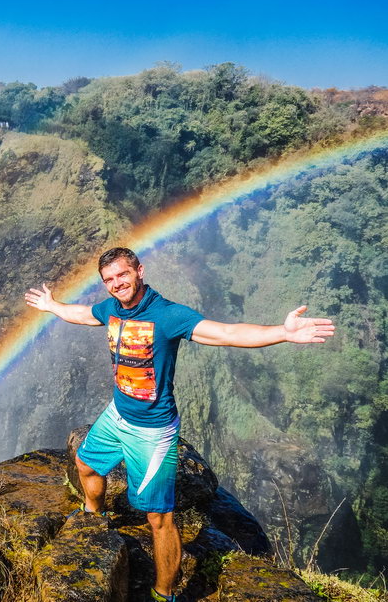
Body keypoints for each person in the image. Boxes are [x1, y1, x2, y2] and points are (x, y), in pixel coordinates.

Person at [24, 247, 335, 602]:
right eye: (109, 280)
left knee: (159, 518)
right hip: (117, 414)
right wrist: (52, 306)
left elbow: (225, 333)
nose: (116, 284)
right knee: (85, 463)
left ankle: (164, 593)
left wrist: (282, 331)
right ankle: (95, 514)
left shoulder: (169, 315)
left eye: (122, 275)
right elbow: (83, 314)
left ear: (139, 271)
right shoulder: (110, 308)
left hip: (152, 431)